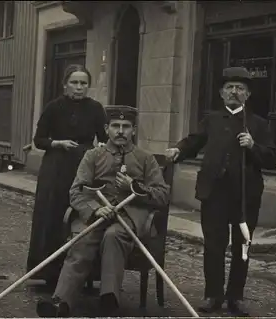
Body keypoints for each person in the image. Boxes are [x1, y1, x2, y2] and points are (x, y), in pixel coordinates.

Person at [165, 67, 276, 316]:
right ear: (221, 93)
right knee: (214, 245)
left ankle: (235, 297)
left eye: (240, 88)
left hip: (245, 196)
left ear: (247, 95)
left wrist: (253, 146)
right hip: (214, 193)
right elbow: (193, 141)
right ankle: (212, 295)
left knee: (242, 246)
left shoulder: (259, 124)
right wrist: (178, 150)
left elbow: (272, 159)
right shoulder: (211, 120)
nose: (234, 92)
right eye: (229, 88)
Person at [36, 105, 170, 317]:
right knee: (82, 238)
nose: (120, 131)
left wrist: (134, 186)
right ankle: (60, 302)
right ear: (107, 128)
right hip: (95, 214)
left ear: (133, 130)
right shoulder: (92, 156)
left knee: (113, 235)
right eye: (115, 126)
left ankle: (109, 300)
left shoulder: (145, 159)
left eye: (126, 127)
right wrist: (96, 209)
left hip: (130, 217)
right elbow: (76, 192)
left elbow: (162, 195)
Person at [26, 64, 108, 290]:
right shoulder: (53, 108)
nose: (79, 87)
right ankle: (50, 274)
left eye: (83, 83)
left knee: (82, 215)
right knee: (53, 216)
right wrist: (58, 143)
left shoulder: (96, 109)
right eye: (74, 82)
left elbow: (103, 138)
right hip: (56, 167)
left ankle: (84, 274)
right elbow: (39, 139)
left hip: (84, 166)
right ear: (65, 84)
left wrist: (100, 150)